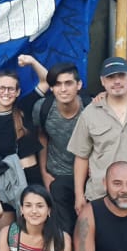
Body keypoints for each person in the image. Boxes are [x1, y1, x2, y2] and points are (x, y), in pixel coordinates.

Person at [68, 57, 127, 215]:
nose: (117, 81)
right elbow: (81, 156)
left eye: (121, 75)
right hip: (102, 196)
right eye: (110, 77)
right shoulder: (90, 113)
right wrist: (79, 195)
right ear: (102, 81)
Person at [32, 62, 88, 233]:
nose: (63, 89)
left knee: (87, 227)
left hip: (88, 177)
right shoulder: (43, 108)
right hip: (57, 176)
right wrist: (44, 174)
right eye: (57, 84)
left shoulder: (91, 107)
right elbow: (42, 138)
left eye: (68, 83)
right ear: (51, 88)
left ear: (78, 85)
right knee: (63, 229)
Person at [0, 69, 44, 202]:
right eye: (2, 88)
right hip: (4, 181)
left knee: (32, 220)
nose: (6, 93)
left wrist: (31, 62)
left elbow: (47, 80)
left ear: (18, 92)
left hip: (31, 178)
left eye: (11, 89)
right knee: (4, 222)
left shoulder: (25, 107)